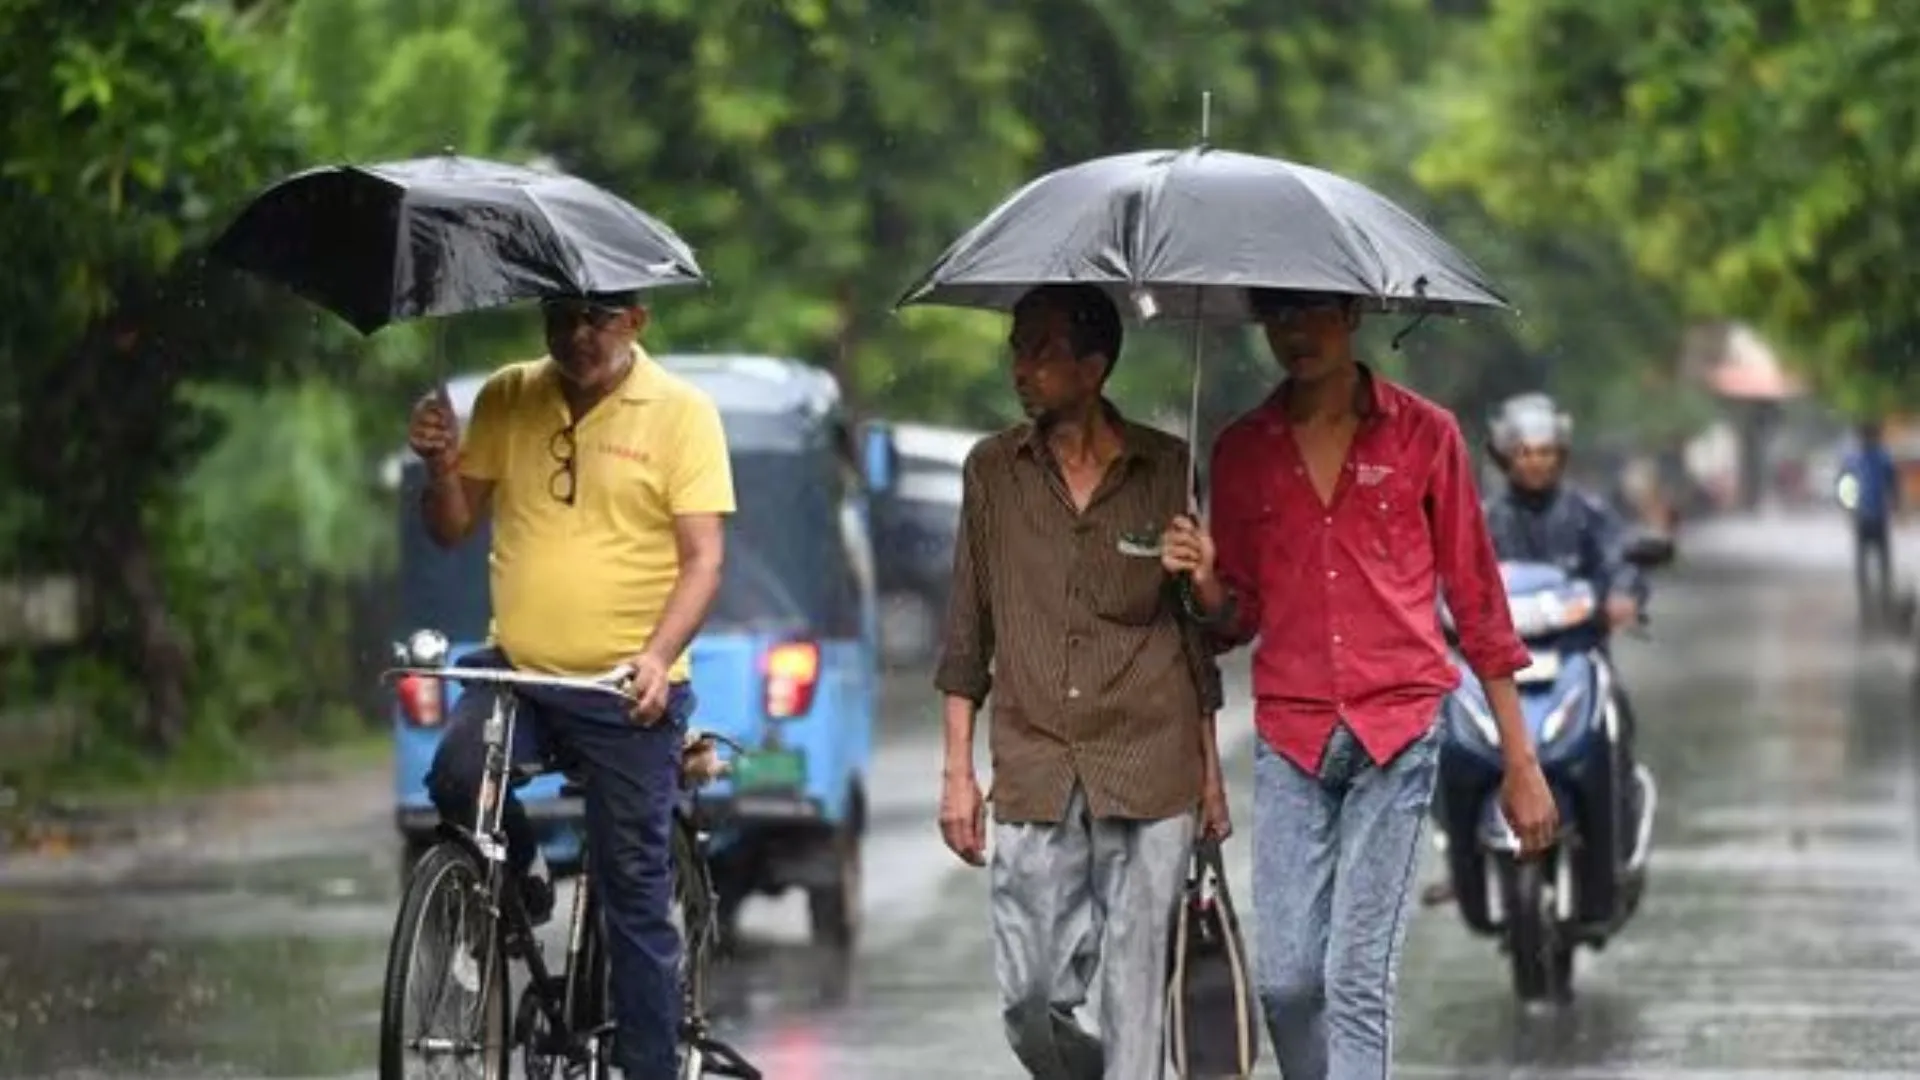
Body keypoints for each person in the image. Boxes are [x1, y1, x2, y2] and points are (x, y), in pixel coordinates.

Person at [1160, 288, 1557, 1080]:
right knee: (1287, 983)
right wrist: (1204, 581)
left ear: (1351, 316)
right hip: (1292, 736)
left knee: (1354, 980)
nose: (1294, 333)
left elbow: (1478, 602)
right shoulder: (1243, 450)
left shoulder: (1425, 435)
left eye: (1311, 313)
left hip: (1400, 728)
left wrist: (1521, 760)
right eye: (1278, 317)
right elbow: (1234, 617)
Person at [407, 290, 735, 1079]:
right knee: (455, 779)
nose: (578, 334)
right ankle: (523, 867)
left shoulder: (683, 413)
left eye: (600, 316)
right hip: (519, 672)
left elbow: (704, 561)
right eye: (563, 317)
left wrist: (657, 658)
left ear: (637, 322)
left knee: (633, 894)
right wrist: (442, 464)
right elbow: (451, 526)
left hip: (629, 688)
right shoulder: (508, 393)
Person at [935, 283, 1231, 1080]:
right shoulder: (992, 470)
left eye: (1041, 350)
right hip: (1035, 762)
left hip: (1150, 756)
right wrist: (958, 772)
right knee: (1031, 1001)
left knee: (1137, 997)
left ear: (1094, 367)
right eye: (1016, 348)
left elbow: (1202, 636)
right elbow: (967, 629)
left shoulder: (1166, 467)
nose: (1021, 368)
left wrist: (1202, 579)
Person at [1422, 392, 1650, 907]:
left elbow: (1620, 559)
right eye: (1525, 452)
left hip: (1573, 654)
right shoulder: (1479, 518)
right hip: (1491, 665)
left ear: (1561, 455)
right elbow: (1446, 575)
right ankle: (1454, 853)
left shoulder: (1588, 515)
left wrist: (1622, 595)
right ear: (1506, 456)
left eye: (1546, 452)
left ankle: (1617, 837)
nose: (1536, 462)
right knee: (1441, 736)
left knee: (1617, 721)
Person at [1837, 419, 1900, 623]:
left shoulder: (1883, 458)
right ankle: (1867, 600)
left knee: (1881, 559)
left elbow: (1892, 484)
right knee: (1865, 560)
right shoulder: (1854, 459)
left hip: (1877, 515)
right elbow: (1845, 484)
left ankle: (1883, 596)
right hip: (1863, 515)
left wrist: (1896, 505)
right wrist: (1848, 507)